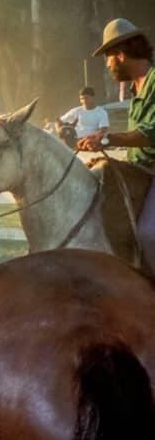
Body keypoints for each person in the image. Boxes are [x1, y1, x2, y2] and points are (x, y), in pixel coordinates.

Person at [78, 17, 155, 274]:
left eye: (108, 58)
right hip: (142, 171)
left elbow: (150, 133)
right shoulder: (136, 89)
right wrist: (104, 160)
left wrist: (108, 139)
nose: (109, 65)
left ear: (120, 54)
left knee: (148, 233)